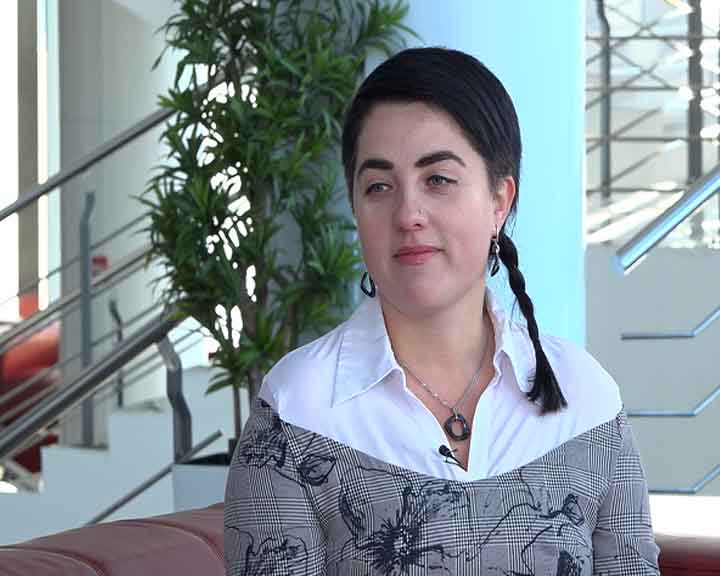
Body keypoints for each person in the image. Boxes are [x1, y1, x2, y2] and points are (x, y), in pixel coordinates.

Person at [224, 47, 660, 575]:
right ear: (356, 208)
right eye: (379, 186)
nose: (408, 214)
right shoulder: (297, 410)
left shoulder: (584, 399)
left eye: (438, 180)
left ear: (499, 200)